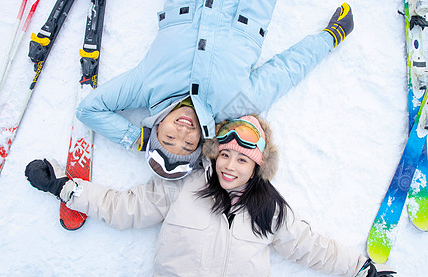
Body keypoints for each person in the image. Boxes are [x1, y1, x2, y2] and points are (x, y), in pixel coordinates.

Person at [25, 114, 398, 277]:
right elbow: (125, 207)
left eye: (242, 159)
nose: (229, 166)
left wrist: (363, 270)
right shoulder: (183, 187)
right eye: (225, 154)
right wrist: (64, 188)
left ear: (258, 166)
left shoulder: (270, 211)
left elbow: (312, 247)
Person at [75, 1, 354, 179]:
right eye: (188, 144)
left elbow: (88, 109)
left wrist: (137, 139)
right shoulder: (234, 105)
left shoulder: (146, 86)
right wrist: (331, 37)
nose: (183, 131)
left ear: (156, 128)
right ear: (201, 141)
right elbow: (285, 71)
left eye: (169, 137)